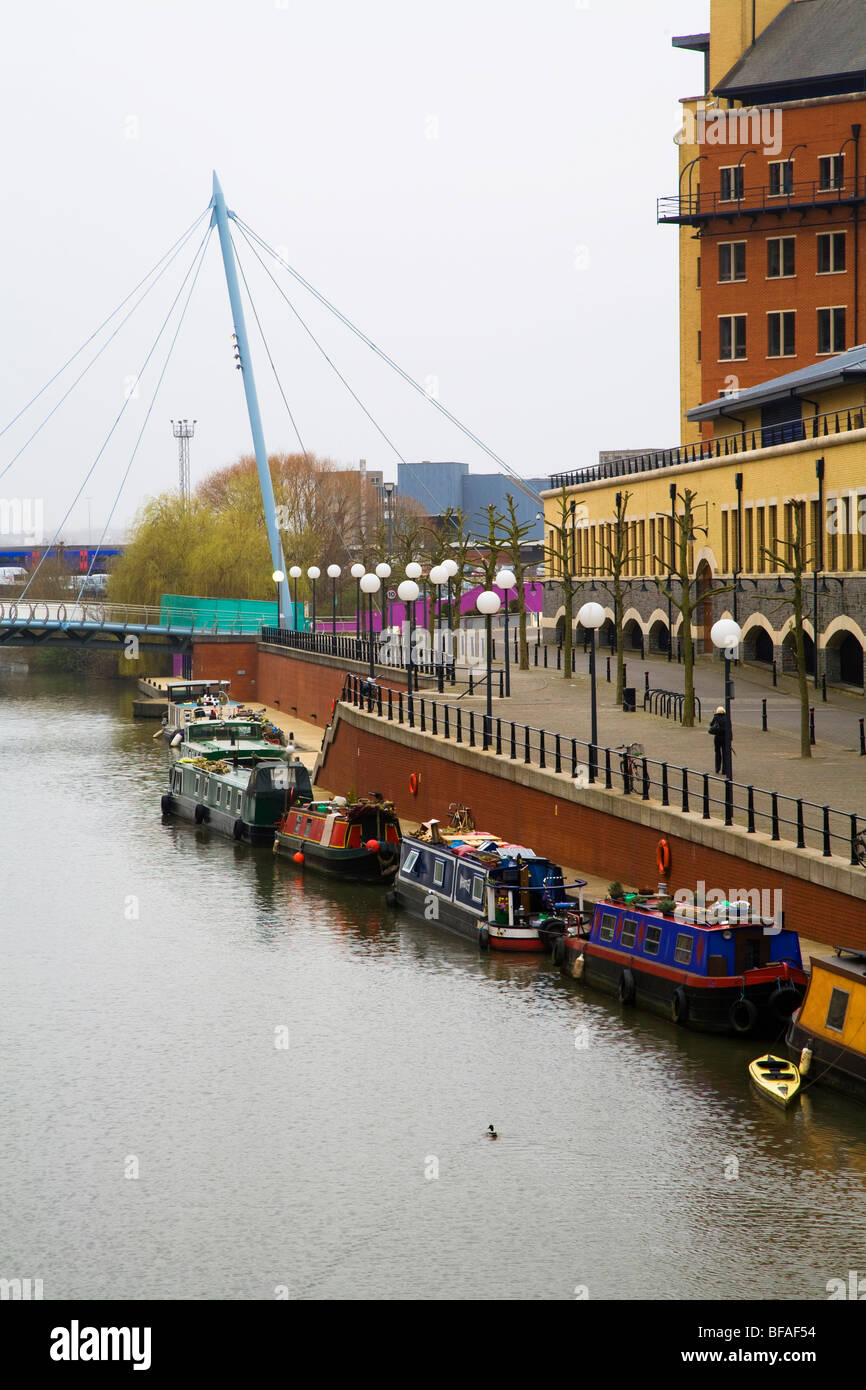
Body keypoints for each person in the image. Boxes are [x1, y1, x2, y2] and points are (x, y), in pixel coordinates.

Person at [708, 705, 731, 775]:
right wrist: (730, 739)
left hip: (717, 737)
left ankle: (717, 768)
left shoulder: (716, 717)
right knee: (725, 754)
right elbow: (730, 729)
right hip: (725, 738)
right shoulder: (727, 718)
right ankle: (724, 770)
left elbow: (711, 724)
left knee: (717, 753)